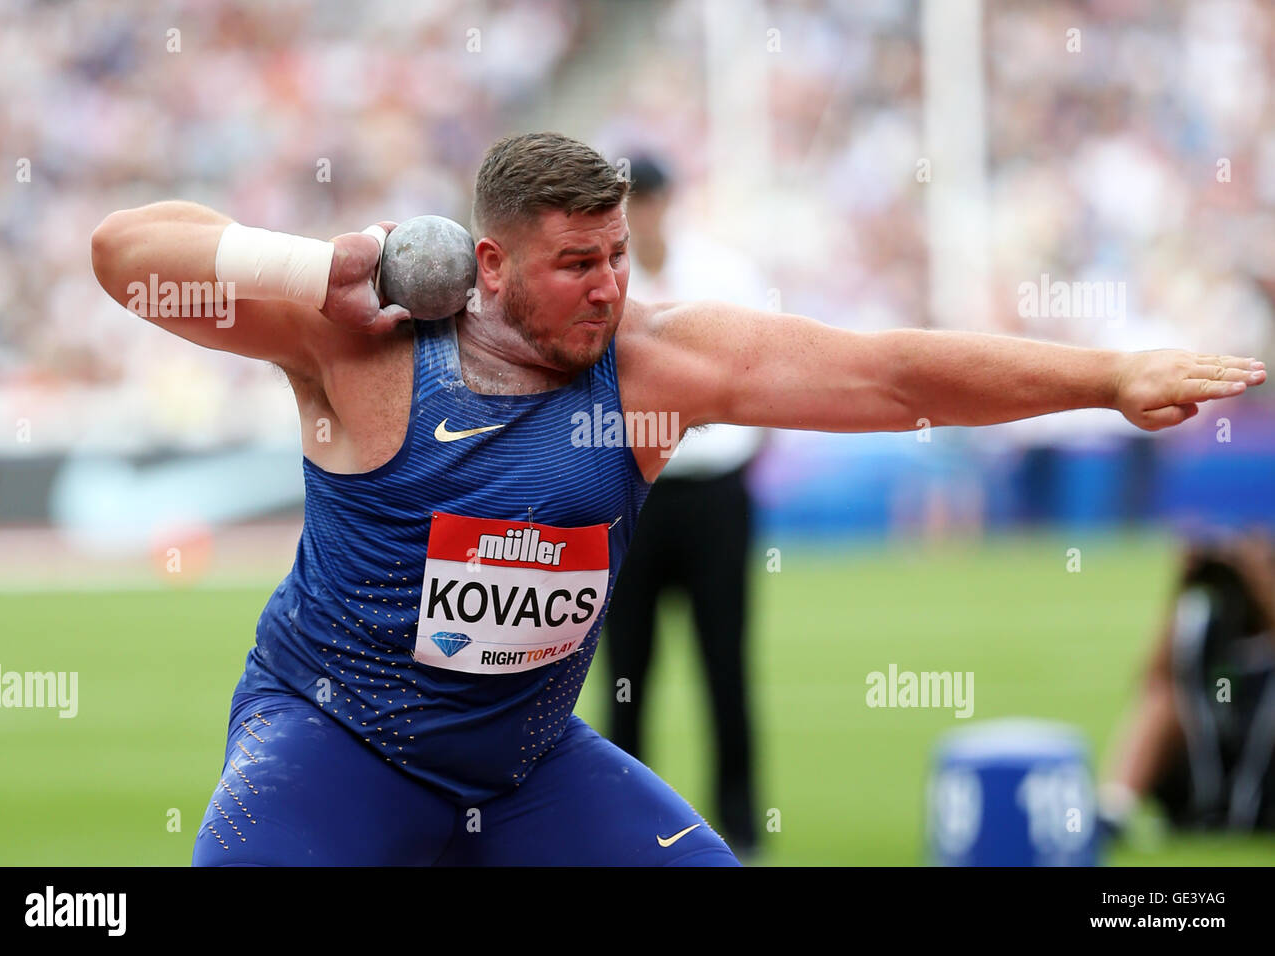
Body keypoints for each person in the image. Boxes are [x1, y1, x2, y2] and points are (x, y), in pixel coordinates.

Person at [89, 131, 1265, 866]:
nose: (607, 288)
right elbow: (125, 249)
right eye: (574, 264)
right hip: (331, 739)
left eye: (618, 256)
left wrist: (1106, 377)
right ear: (486, 264)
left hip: (527, 764)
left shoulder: (656, 366)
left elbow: (888, 371)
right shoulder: (358, 345)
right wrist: (317, 263)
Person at [603, 153, 765, 859]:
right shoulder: (599, 282)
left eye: (645, 203)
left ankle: (741, 822)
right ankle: (617, 823)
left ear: (667, 204)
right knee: (625, 670)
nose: (638, 218)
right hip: (631, 492)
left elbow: (765, 371)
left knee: (724, 663)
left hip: (710, 493)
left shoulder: (723, 276)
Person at [1100, 531, 1275, 835]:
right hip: (1208, 762)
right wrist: (1182, 589)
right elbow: (1150, 682)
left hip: (1265, 773)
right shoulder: (1203, 625)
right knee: (1161, 702)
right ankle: (1112, 810)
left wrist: (1258, 578)